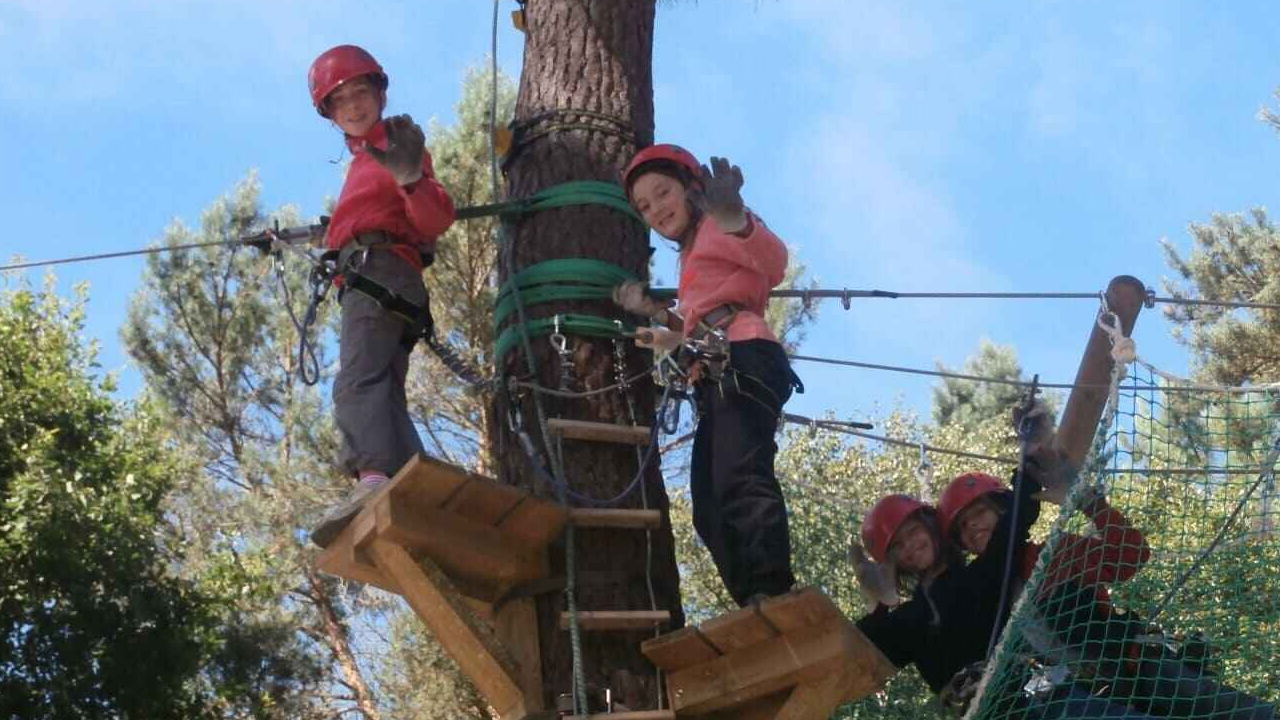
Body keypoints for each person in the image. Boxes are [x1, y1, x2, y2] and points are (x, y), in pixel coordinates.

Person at [614, 144, 802, 606]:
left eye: (663, 193)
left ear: (692, 187)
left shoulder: (718, 224)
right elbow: (695, 325)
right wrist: (656, 314)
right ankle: (752, 597)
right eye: (645, 206)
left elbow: (773, 263)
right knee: (709, 504)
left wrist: (735, 218)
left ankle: (771, 588)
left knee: (740, 475)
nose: (657, 210)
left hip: (744, 356)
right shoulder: (692, 253)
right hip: (717, 366)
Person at [939, 469, 1276, 720]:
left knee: (1217, 704)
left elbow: (1131, 554)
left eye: (979, 513)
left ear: (1002, 510)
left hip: (1133, 663)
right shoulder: (981, 598)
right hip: (1083, 697)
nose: (973, 527)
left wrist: (1090, 503)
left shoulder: (1054, 553)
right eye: (963, 527)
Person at [306, 45, 455, 548]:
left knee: (357, 382)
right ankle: (417, 492)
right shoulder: (363, 162)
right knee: (384, 390)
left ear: (380, 93)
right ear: (330, 114)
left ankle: (372, 478)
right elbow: (372, 213)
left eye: (360, 92)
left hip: (379, 272)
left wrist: (410, 178)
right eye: (340, 100)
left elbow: (434, 218)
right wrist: (332, 234)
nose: (353, 106)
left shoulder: (394, 146)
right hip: (383, 276)